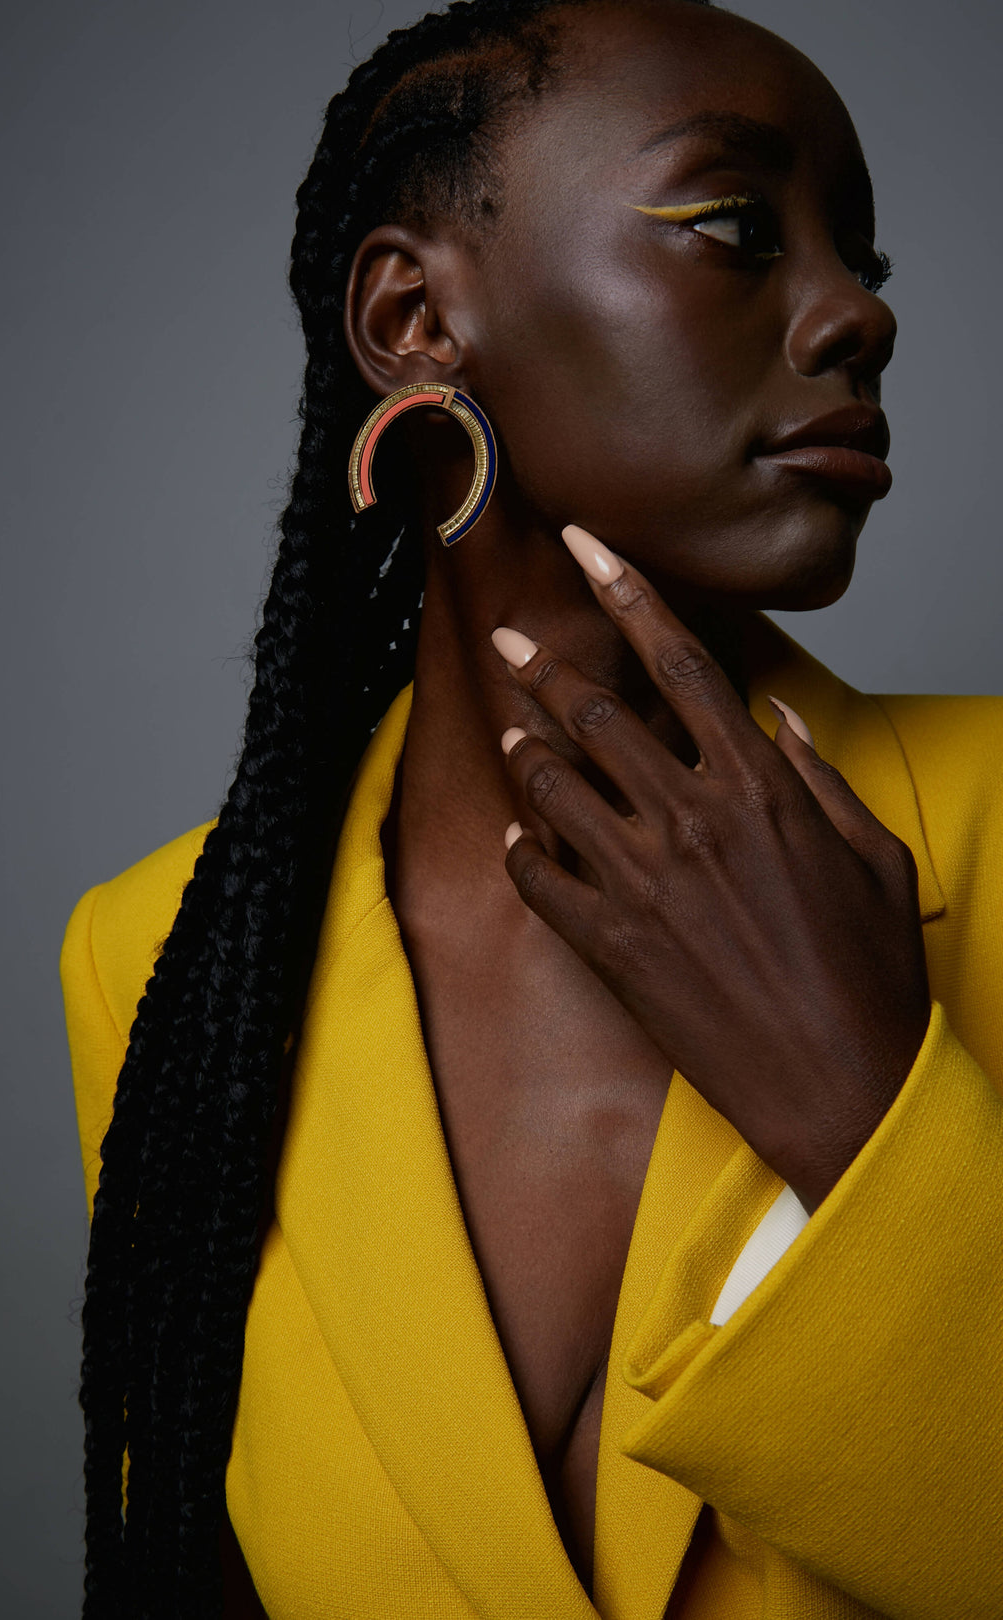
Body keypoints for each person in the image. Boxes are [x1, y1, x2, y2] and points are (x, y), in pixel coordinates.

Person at [59, 0, 1003, 1615]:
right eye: (735, 227)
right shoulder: (162, 965)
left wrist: (868, 1117)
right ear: (415, 317)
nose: (858, 316)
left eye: (867, 260)